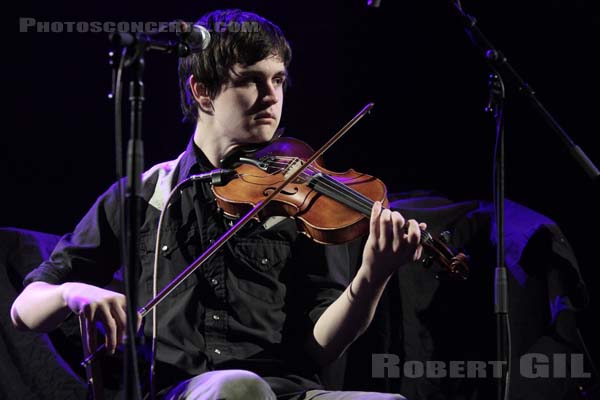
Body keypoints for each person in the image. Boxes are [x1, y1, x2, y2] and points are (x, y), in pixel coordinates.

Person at [10, 9, 425, 400]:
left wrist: (372, 276)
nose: (271, 96)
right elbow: (24, 308)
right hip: (184, 391)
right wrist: (71, 292)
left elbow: (321, 348)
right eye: (250, 80)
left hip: (288, 390)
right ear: (202, 91)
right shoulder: (145, 193)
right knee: (237, 387)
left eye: (279, 80)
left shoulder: (301, 192)